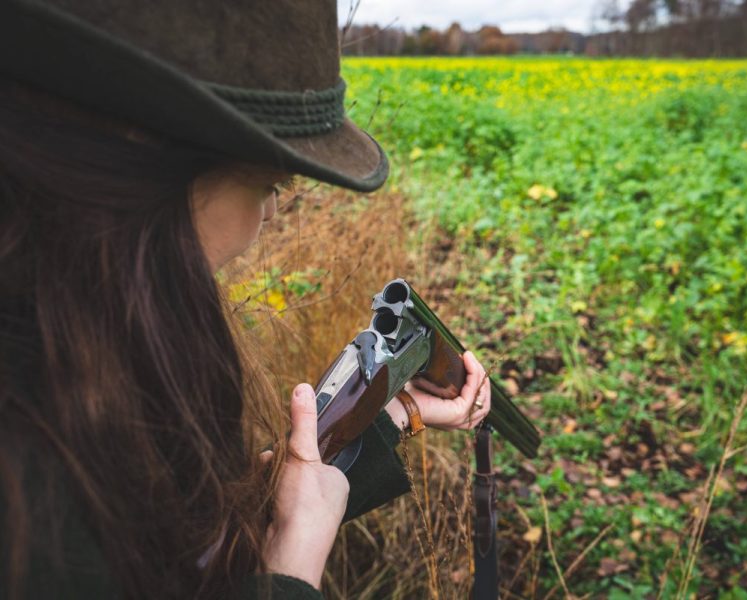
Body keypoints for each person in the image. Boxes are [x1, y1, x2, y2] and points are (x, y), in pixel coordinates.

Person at [0, 1, 491, 598]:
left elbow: (187, 547)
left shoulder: (68, 331)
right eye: (266, 183)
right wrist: (289, 572)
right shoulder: (30, 468)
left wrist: (396, 412)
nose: (272, 211)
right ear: (140, 167)